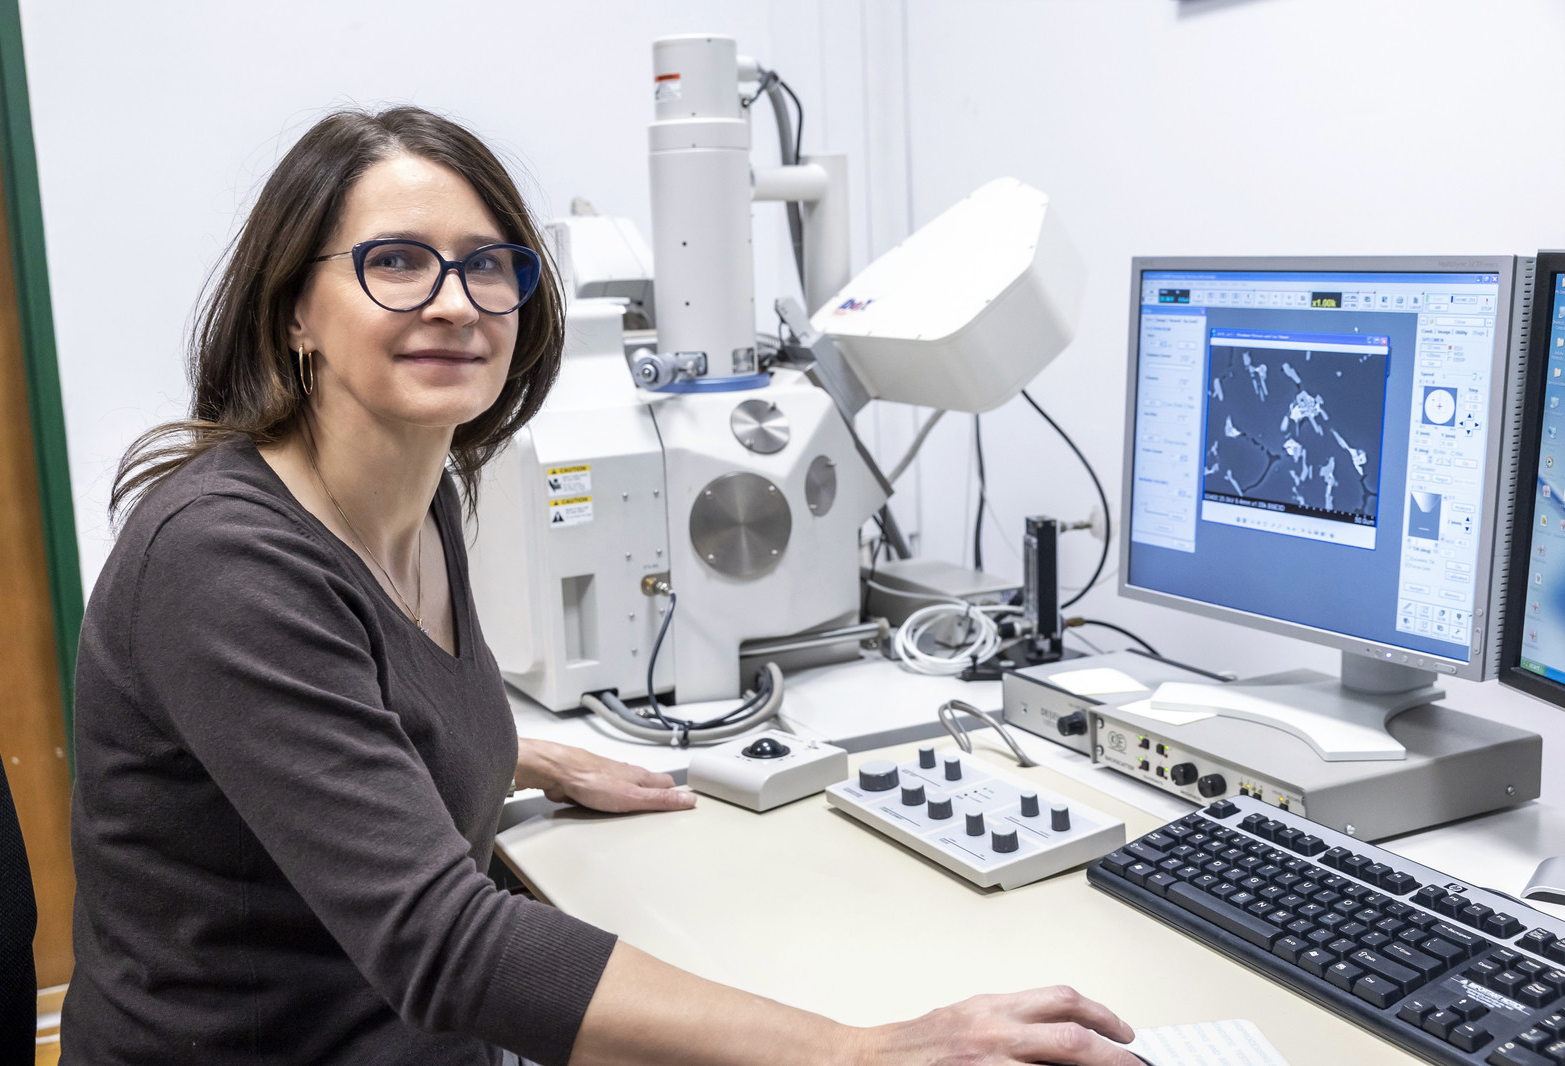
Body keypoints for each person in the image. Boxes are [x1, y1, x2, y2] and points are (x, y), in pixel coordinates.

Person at [63, 105, 1147, 1066]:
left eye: (489, 265)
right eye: (395, 261)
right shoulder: (222, 560)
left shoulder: (421, 497)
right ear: (295, 308)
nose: (455, 303)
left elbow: (342, 717)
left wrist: (509, 751)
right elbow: (446, 944)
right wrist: (860, 1052)